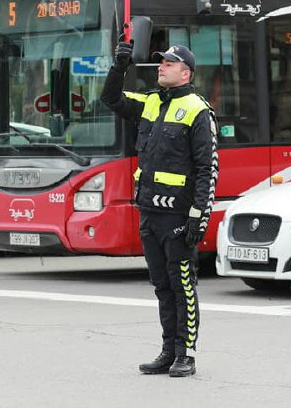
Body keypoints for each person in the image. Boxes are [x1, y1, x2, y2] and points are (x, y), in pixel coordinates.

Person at [101, 42, 218, 378]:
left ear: (186, 72)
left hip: (178, 217)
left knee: (183, 286)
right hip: (149, 213)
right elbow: (111, 99)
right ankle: (168, 351)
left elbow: (207, 169)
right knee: (162, 286)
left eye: (169, 63)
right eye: (161, 62)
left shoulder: (198, 110)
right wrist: (119, 65)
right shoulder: (152, 101)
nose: (162, 67)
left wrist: (199, 217)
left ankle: (187, 355)